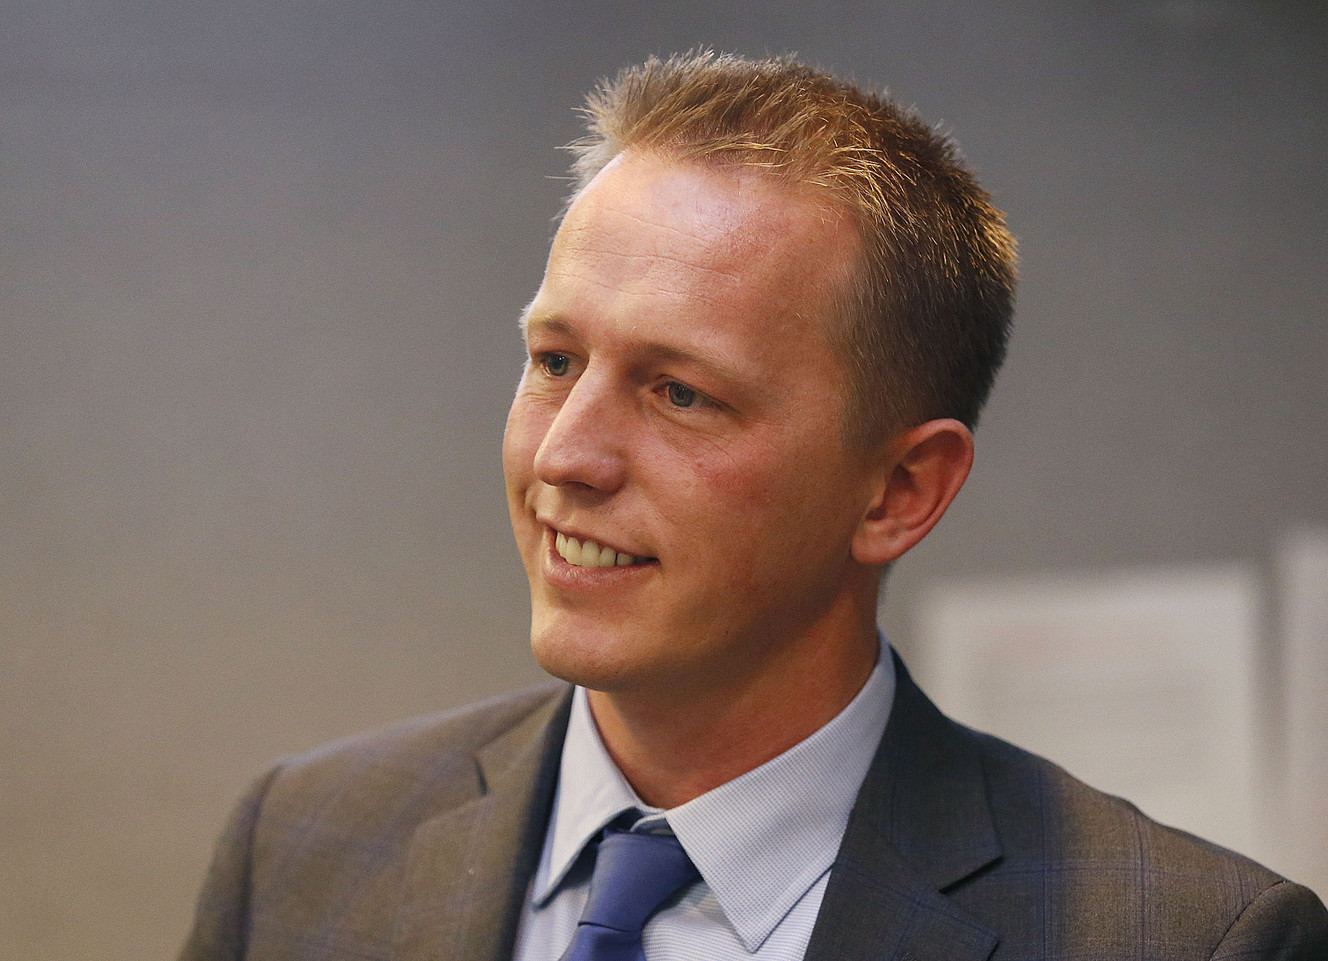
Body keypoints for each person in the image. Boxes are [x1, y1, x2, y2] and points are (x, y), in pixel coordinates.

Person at [179, 51, 1328, 961]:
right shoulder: (302, 850)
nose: (565, 455)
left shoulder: (1184, 939)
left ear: (898, 490)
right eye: (554, 360)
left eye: (679, 392)